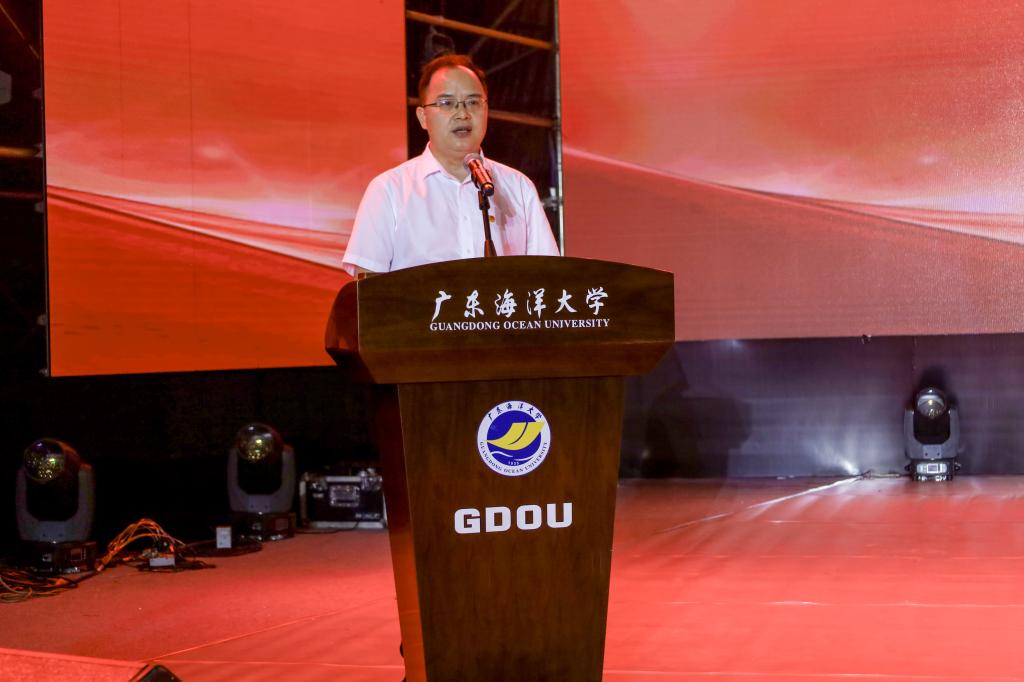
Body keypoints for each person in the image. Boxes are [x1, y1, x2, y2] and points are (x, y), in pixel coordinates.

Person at [341, 54, 559, 276]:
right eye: (446, 103)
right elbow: (368, 284)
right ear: (423, 117)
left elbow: (548, 276)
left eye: (473, 102)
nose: (462, 114)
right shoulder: (389, 189)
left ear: (486, 110)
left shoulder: (519, 187)